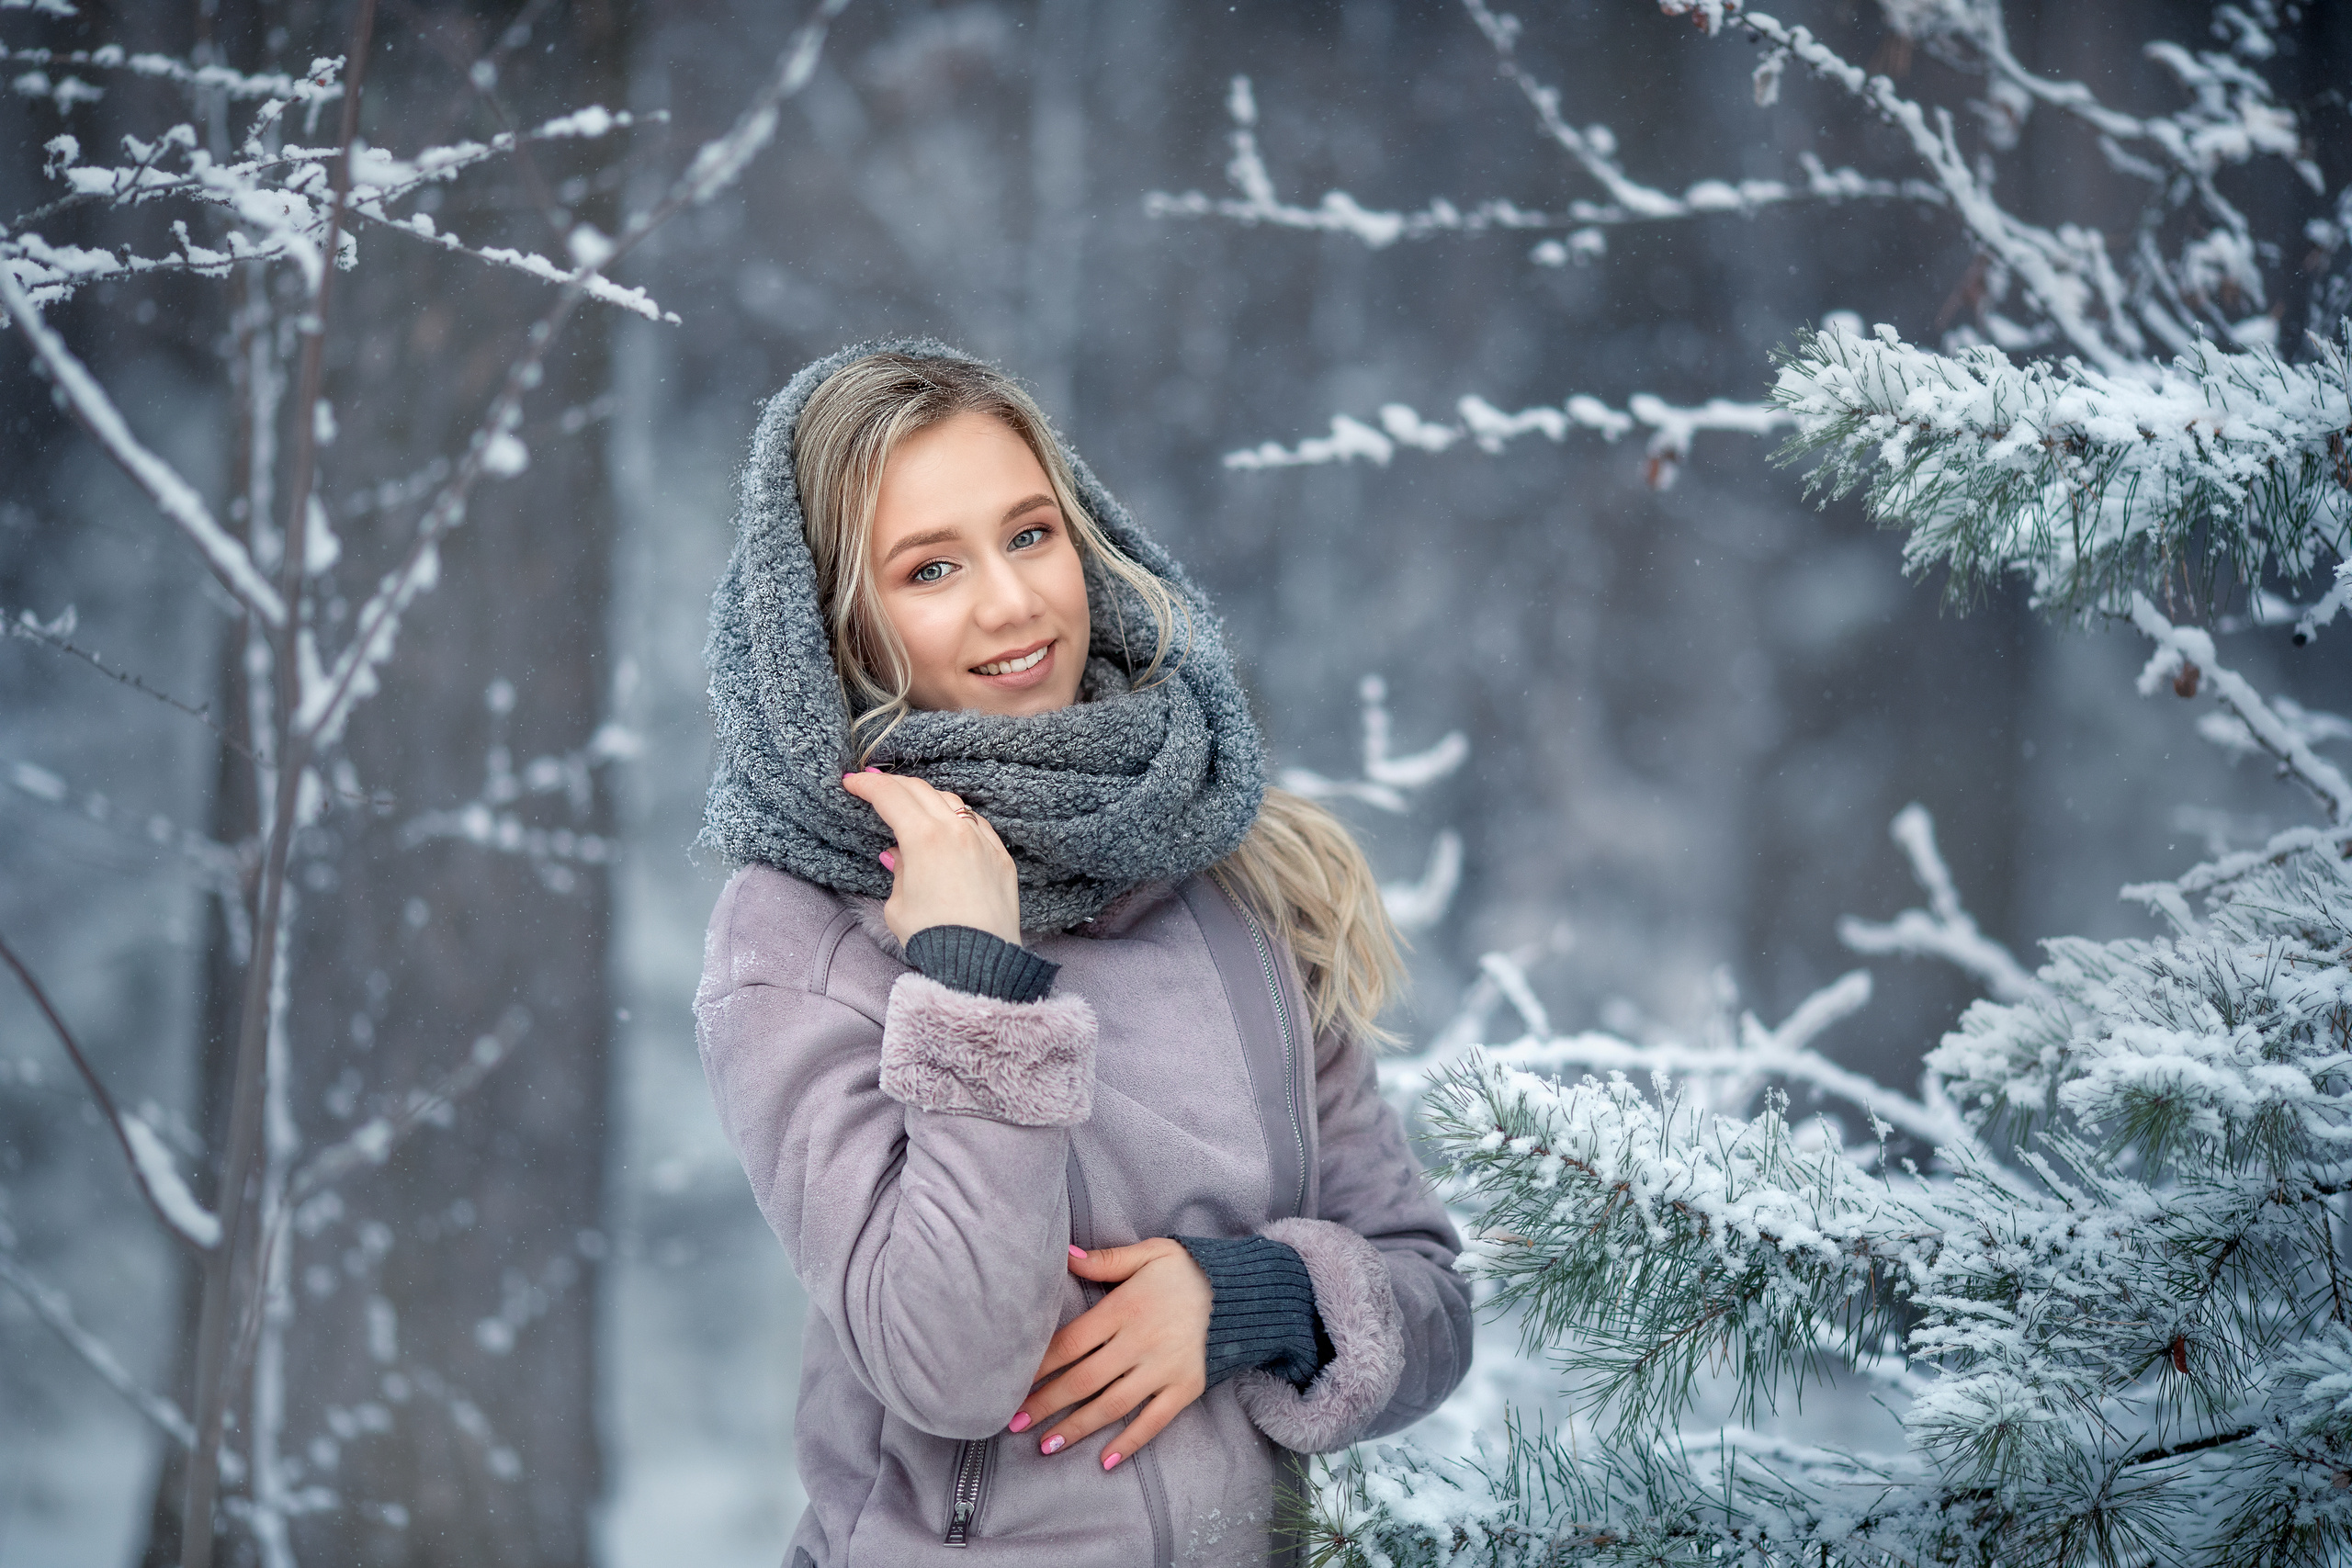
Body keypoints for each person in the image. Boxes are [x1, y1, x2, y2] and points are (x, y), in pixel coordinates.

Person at [695, 339, 1471, 1567]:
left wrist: (1249, 1300)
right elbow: (949, 1365)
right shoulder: (796, 931)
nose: (1012, 603)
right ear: (831, 626)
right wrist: (966, 976)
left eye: (1031, 534)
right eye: (930, 568)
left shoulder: (1228, 852)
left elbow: (1427, 1297)